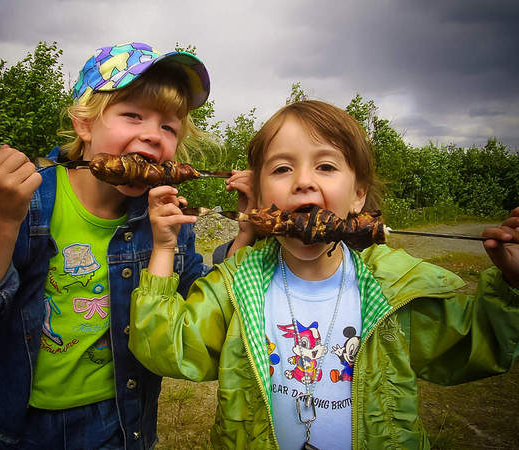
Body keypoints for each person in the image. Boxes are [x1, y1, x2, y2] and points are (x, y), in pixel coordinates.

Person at [128, 100, 519, 449]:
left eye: (326, 166)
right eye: (282, 168)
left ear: (358, 195)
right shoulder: (236, 284)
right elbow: (165, 346)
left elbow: (479, 342)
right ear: (259, 198)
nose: (303, 181)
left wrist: (513, 284)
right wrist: (163, 248)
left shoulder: (394, 288)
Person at [0, 42, 232, 449]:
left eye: (169, 127)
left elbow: (195, 301)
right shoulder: (26, 200)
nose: (153, 135)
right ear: (84, 124)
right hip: (30, 423)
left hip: (123, 417)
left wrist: (248, 232)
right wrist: (3, 219)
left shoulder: (167, 215)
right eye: (133, 115)